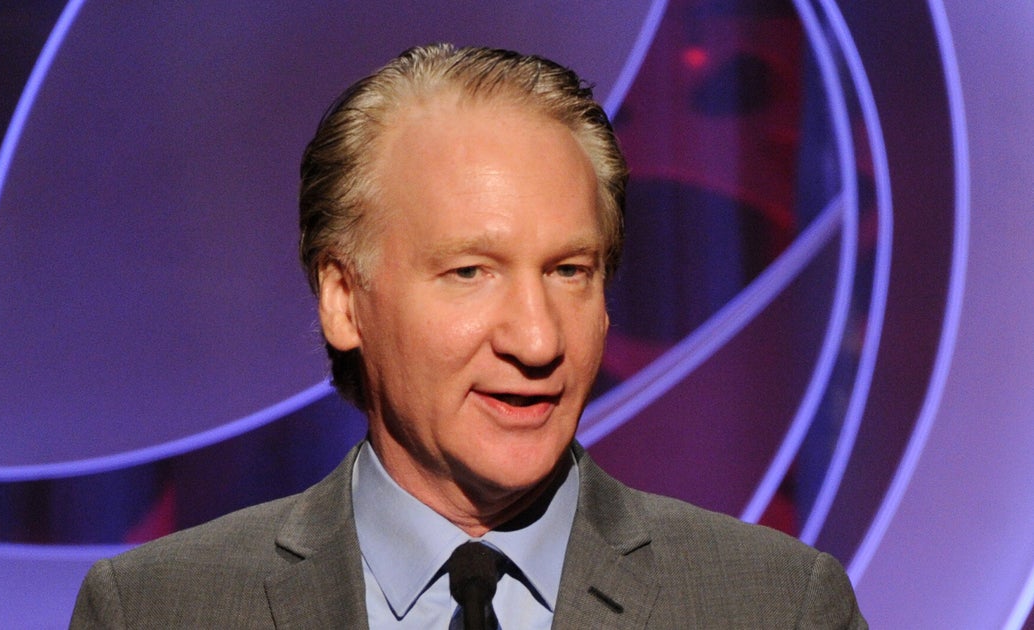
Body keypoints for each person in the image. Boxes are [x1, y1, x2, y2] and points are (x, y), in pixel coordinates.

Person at [70, 43, 866, 628]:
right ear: (343, 300)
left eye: (569, 271)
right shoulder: (158, 611)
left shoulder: (776, 608)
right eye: (470, 272)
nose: (537, 340)